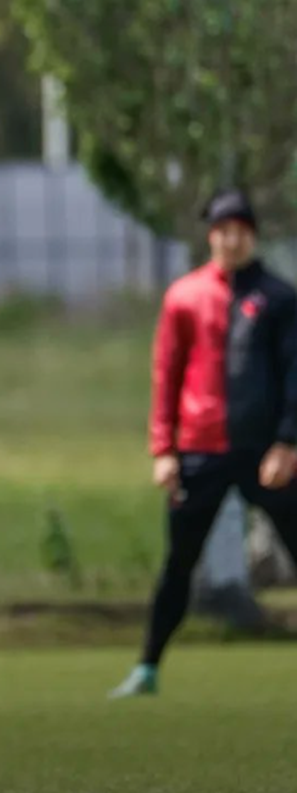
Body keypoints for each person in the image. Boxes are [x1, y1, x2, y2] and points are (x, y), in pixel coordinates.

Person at [109, 188, 297, 698]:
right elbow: (166, 373)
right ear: (210, 234)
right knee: (179, 565)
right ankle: (147, 667)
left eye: (240, 229)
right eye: (221, 229)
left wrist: (287, 442)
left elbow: (293, 375)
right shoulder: (185, 297)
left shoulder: (280, 298)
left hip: (264, 455)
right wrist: (163, 450)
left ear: (252, 235)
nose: (230, 239)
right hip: (199, 451)